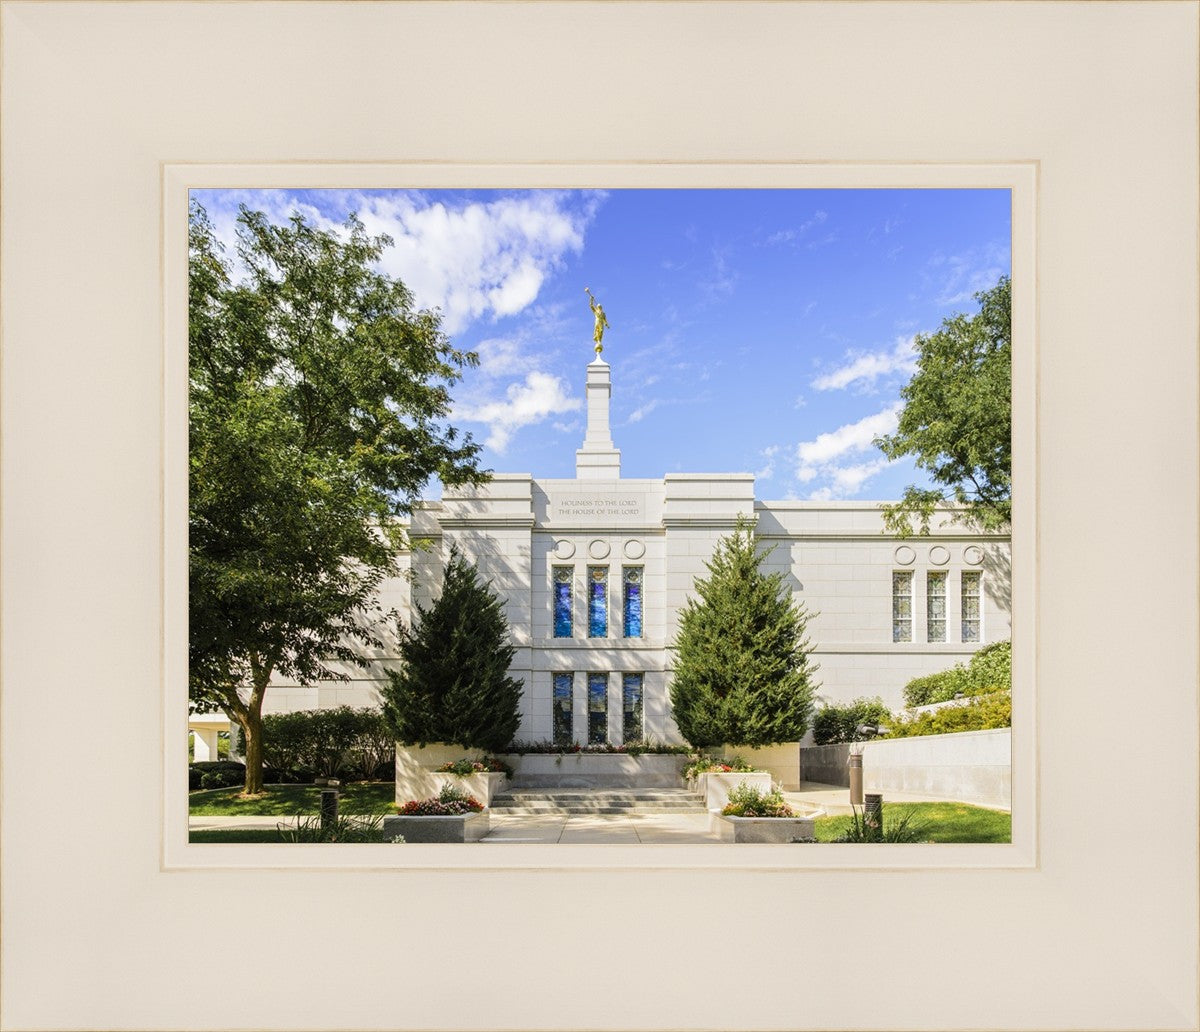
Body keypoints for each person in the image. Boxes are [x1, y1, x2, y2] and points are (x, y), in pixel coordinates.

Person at [585, 287, 610, 353]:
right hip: (597, 321)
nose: (599, 307)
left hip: (601, 322)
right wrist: (591, 299)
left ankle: (599, 340)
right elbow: (591, 306)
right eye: (598, 306)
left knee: (601, 331)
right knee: (597, 330)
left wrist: (607, 324)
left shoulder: (603, 313)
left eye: (600, 307)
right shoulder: (596, 311)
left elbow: (605, 320)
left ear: (601, 307)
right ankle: (598, 340)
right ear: (598, 307)